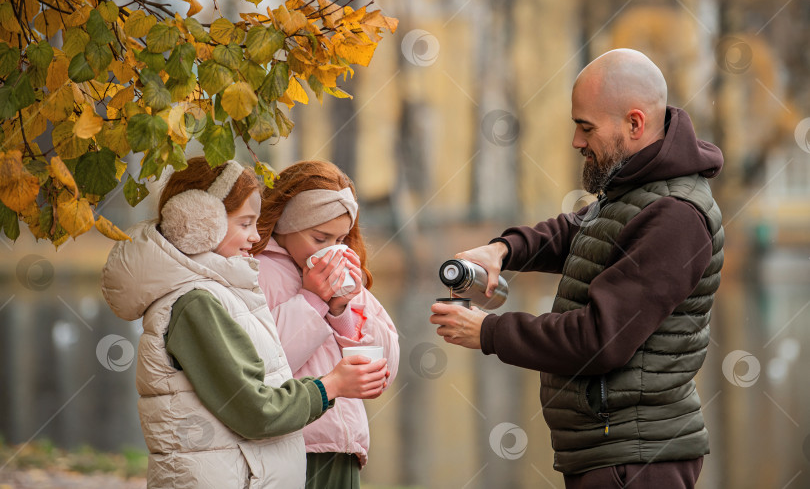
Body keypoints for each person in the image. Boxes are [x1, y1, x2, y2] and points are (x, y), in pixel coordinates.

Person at [430, 49, 724, 489]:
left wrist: (488, 333)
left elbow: (599, 339)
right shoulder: (635, 189)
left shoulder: (676, 217)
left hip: (635, 461)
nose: (576, 141)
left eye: (586, 127)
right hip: (610, 452)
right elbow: (574, 232)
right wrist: (502, 251)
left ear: (635, 123)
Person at [101, 157, 389, 489]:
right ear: (198, 223)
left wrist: (341, 312)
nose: (255, 236)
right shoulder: (195, 303)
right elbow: (256, 410)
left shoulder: (222, 291)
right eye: (245, 223)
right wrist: (331, 386)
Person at [251, 160, 400, 489]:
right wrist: (312, 299)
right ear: (285, 224)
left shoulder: (344, 274)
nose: (332, 250)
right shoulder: (257, 273)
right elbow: (262, 368)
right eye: (320, 238)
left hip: (344, 450)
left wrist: (341, 309)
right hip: (289, 449)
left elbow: (385, 365)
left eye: (341, 238)